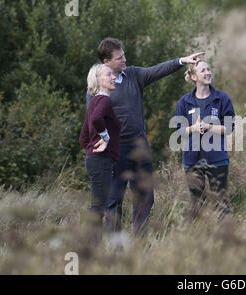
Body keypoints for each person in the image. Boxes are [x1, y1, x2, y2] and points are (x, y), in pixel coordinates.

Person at [86, 37, 204, 236]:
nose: (124, 60)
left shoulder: (133, 75)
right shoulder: (97, 87)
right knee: (114, 200)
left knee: (145, 196)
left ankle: (140, 240)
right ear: (106, 61)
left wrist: (182, 61)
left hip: (139, 147)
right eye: (118, 58)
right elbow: (92, 120)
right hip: (115, 151)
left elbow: (157, 70)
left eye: (124, 55)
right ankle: (116, 245)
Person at [175, 60, 235, 219]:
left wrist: (209, 127)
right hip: (192, 160)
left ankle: (225, 236)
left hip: (217, 159)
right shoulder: (184, 102)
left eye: (209, 69)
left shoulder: (222, 99)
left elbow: (229, 127)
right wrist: (193, 129)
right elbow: (179, 130)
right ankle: (199, 238)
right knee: (197, 204)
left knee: (221, 203)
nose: (208, 73)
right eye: (203, 71)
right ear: (194, 76)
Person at [80, 64, 121, 234]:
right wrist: (105, 138)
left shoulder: (94, 102)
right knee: (98, 206)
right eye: (109, 74)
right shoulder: (104, 100)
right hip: (101, 160)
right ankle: (91, 247)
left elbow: (84, 138)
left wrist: (92, 149)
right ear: (98, 80)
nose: (114, 77)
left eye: (113, 74)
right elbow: (97, 119)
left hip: (95, 160)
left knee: (98, 205)